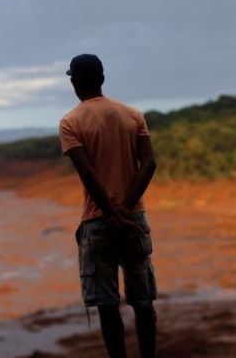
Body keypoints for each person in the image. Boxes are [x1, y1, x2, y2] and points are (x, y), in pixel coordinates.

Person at [59, 53, 158, 358]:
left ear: (74, 82)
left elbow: (87, 173)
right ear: (102, 78)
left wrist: (112, 213)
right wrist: (126, 211)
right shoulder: (133, 115)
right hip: (133, 220)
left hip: (98, 221)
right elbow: (149, 163)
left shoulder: (70, 122)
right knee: (143, 302)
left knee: (106, 304)